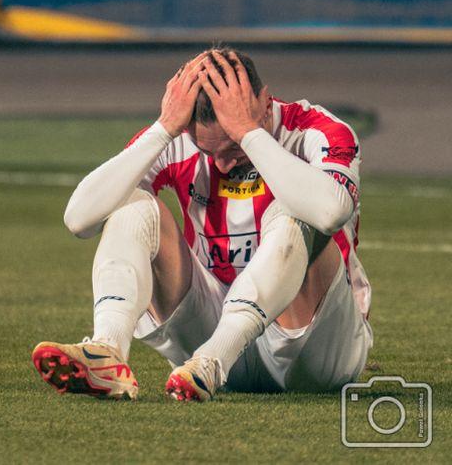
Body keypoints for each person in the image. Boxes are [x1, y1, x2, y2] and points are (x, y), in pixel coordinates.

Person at [32, 48, 370, 401]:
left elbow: (331, 212)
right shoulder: (178, 135)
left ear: (265, 104)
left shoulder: (316, 129)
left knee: (293, 212)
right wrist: (162, 129)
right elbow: (79, 219)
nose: (222, 166)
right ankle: (108, 348)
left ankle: (215, 358)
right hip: (205, 343)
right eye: (210, 153)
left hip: (314, 353)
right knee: (131, 205)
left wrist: (248, 134)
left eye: (234, 150)